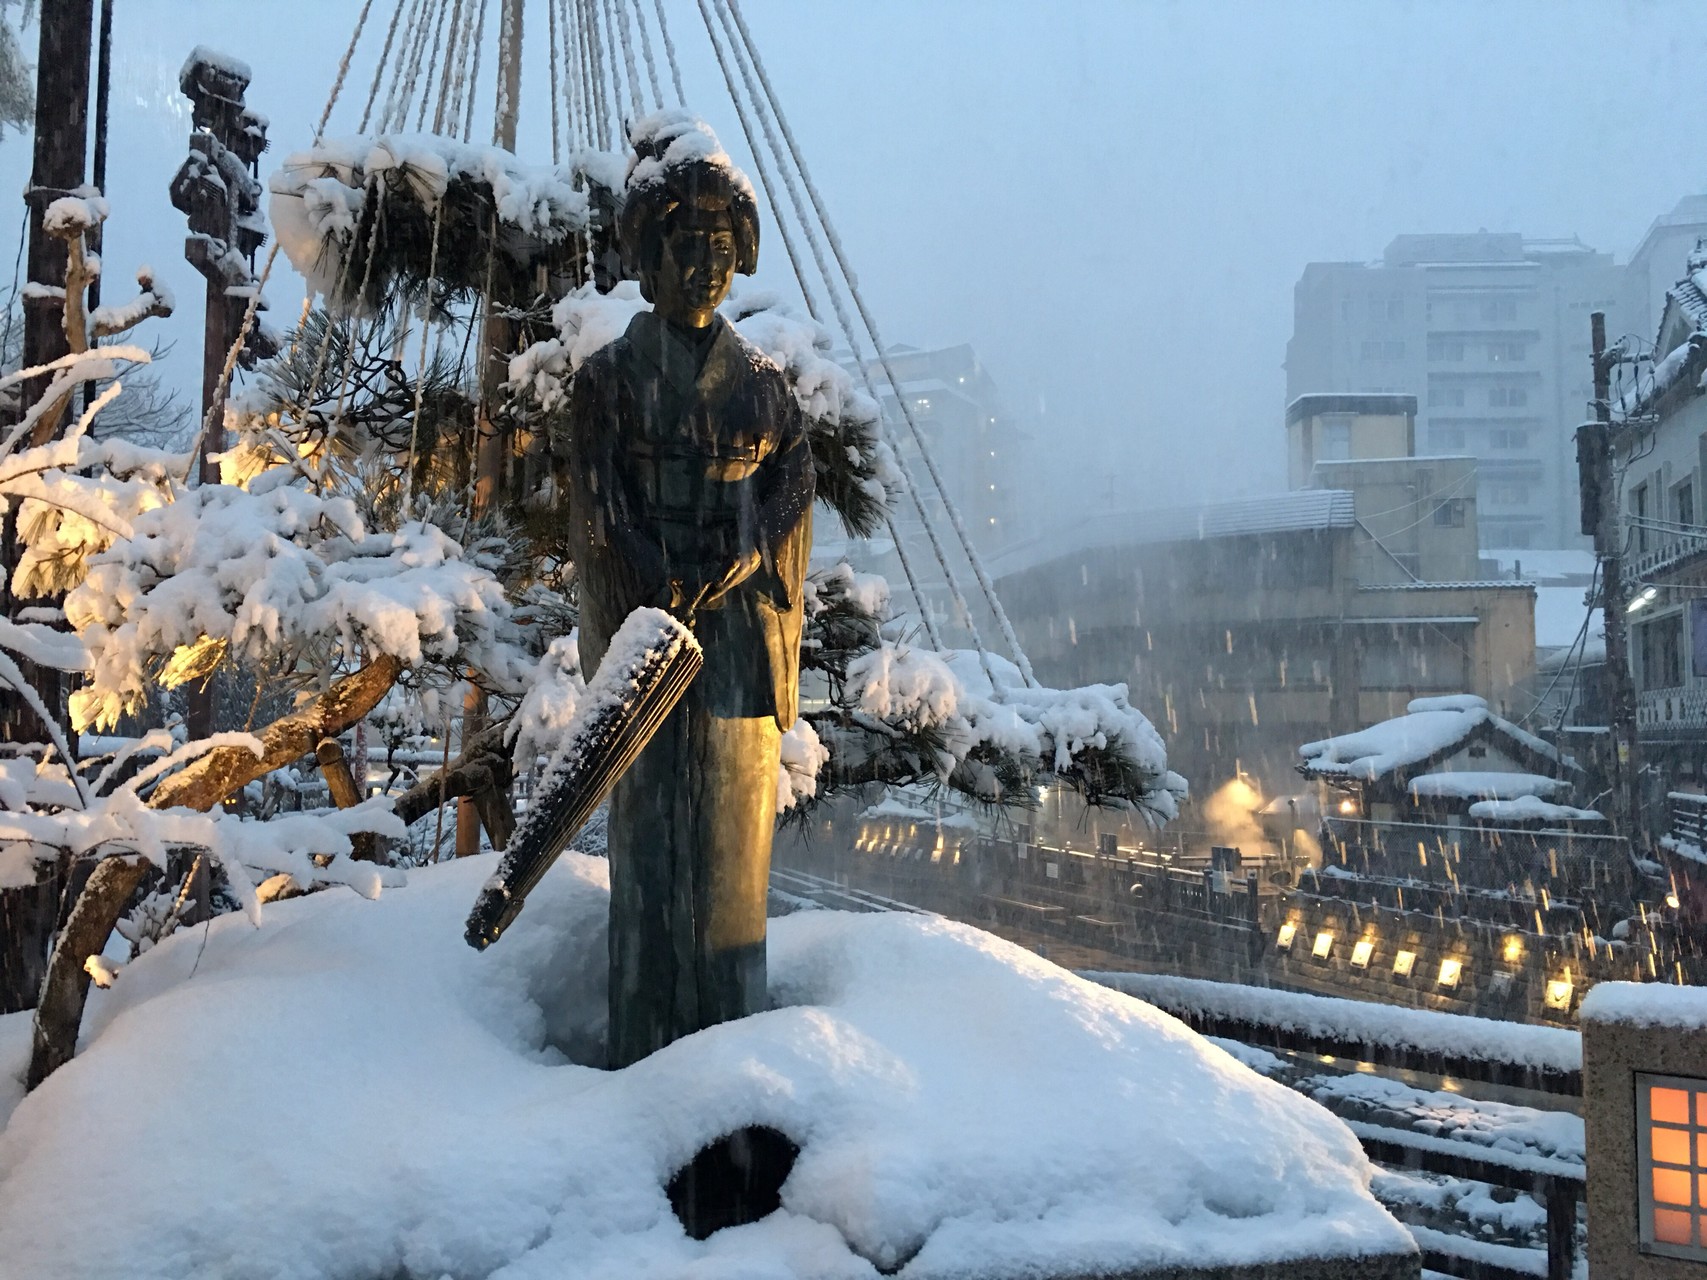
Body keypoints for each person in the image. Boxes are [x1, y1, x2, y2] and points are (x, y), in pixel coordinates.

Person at [560, 133, 813, 1070]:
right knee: (657, 846)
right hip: (651, 636)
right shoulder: (607, 382)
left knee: (732, 861)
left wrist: (747, 553)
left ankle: (728, 1054)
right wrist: (651, 568)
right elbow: (600, 502)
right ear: (646, 258)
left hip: (741, 643)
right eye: (683, 243)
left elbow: (792, 490)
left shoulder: (766, 390)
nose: (703, 263)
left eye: (718, 244)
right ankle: (650, 1050)